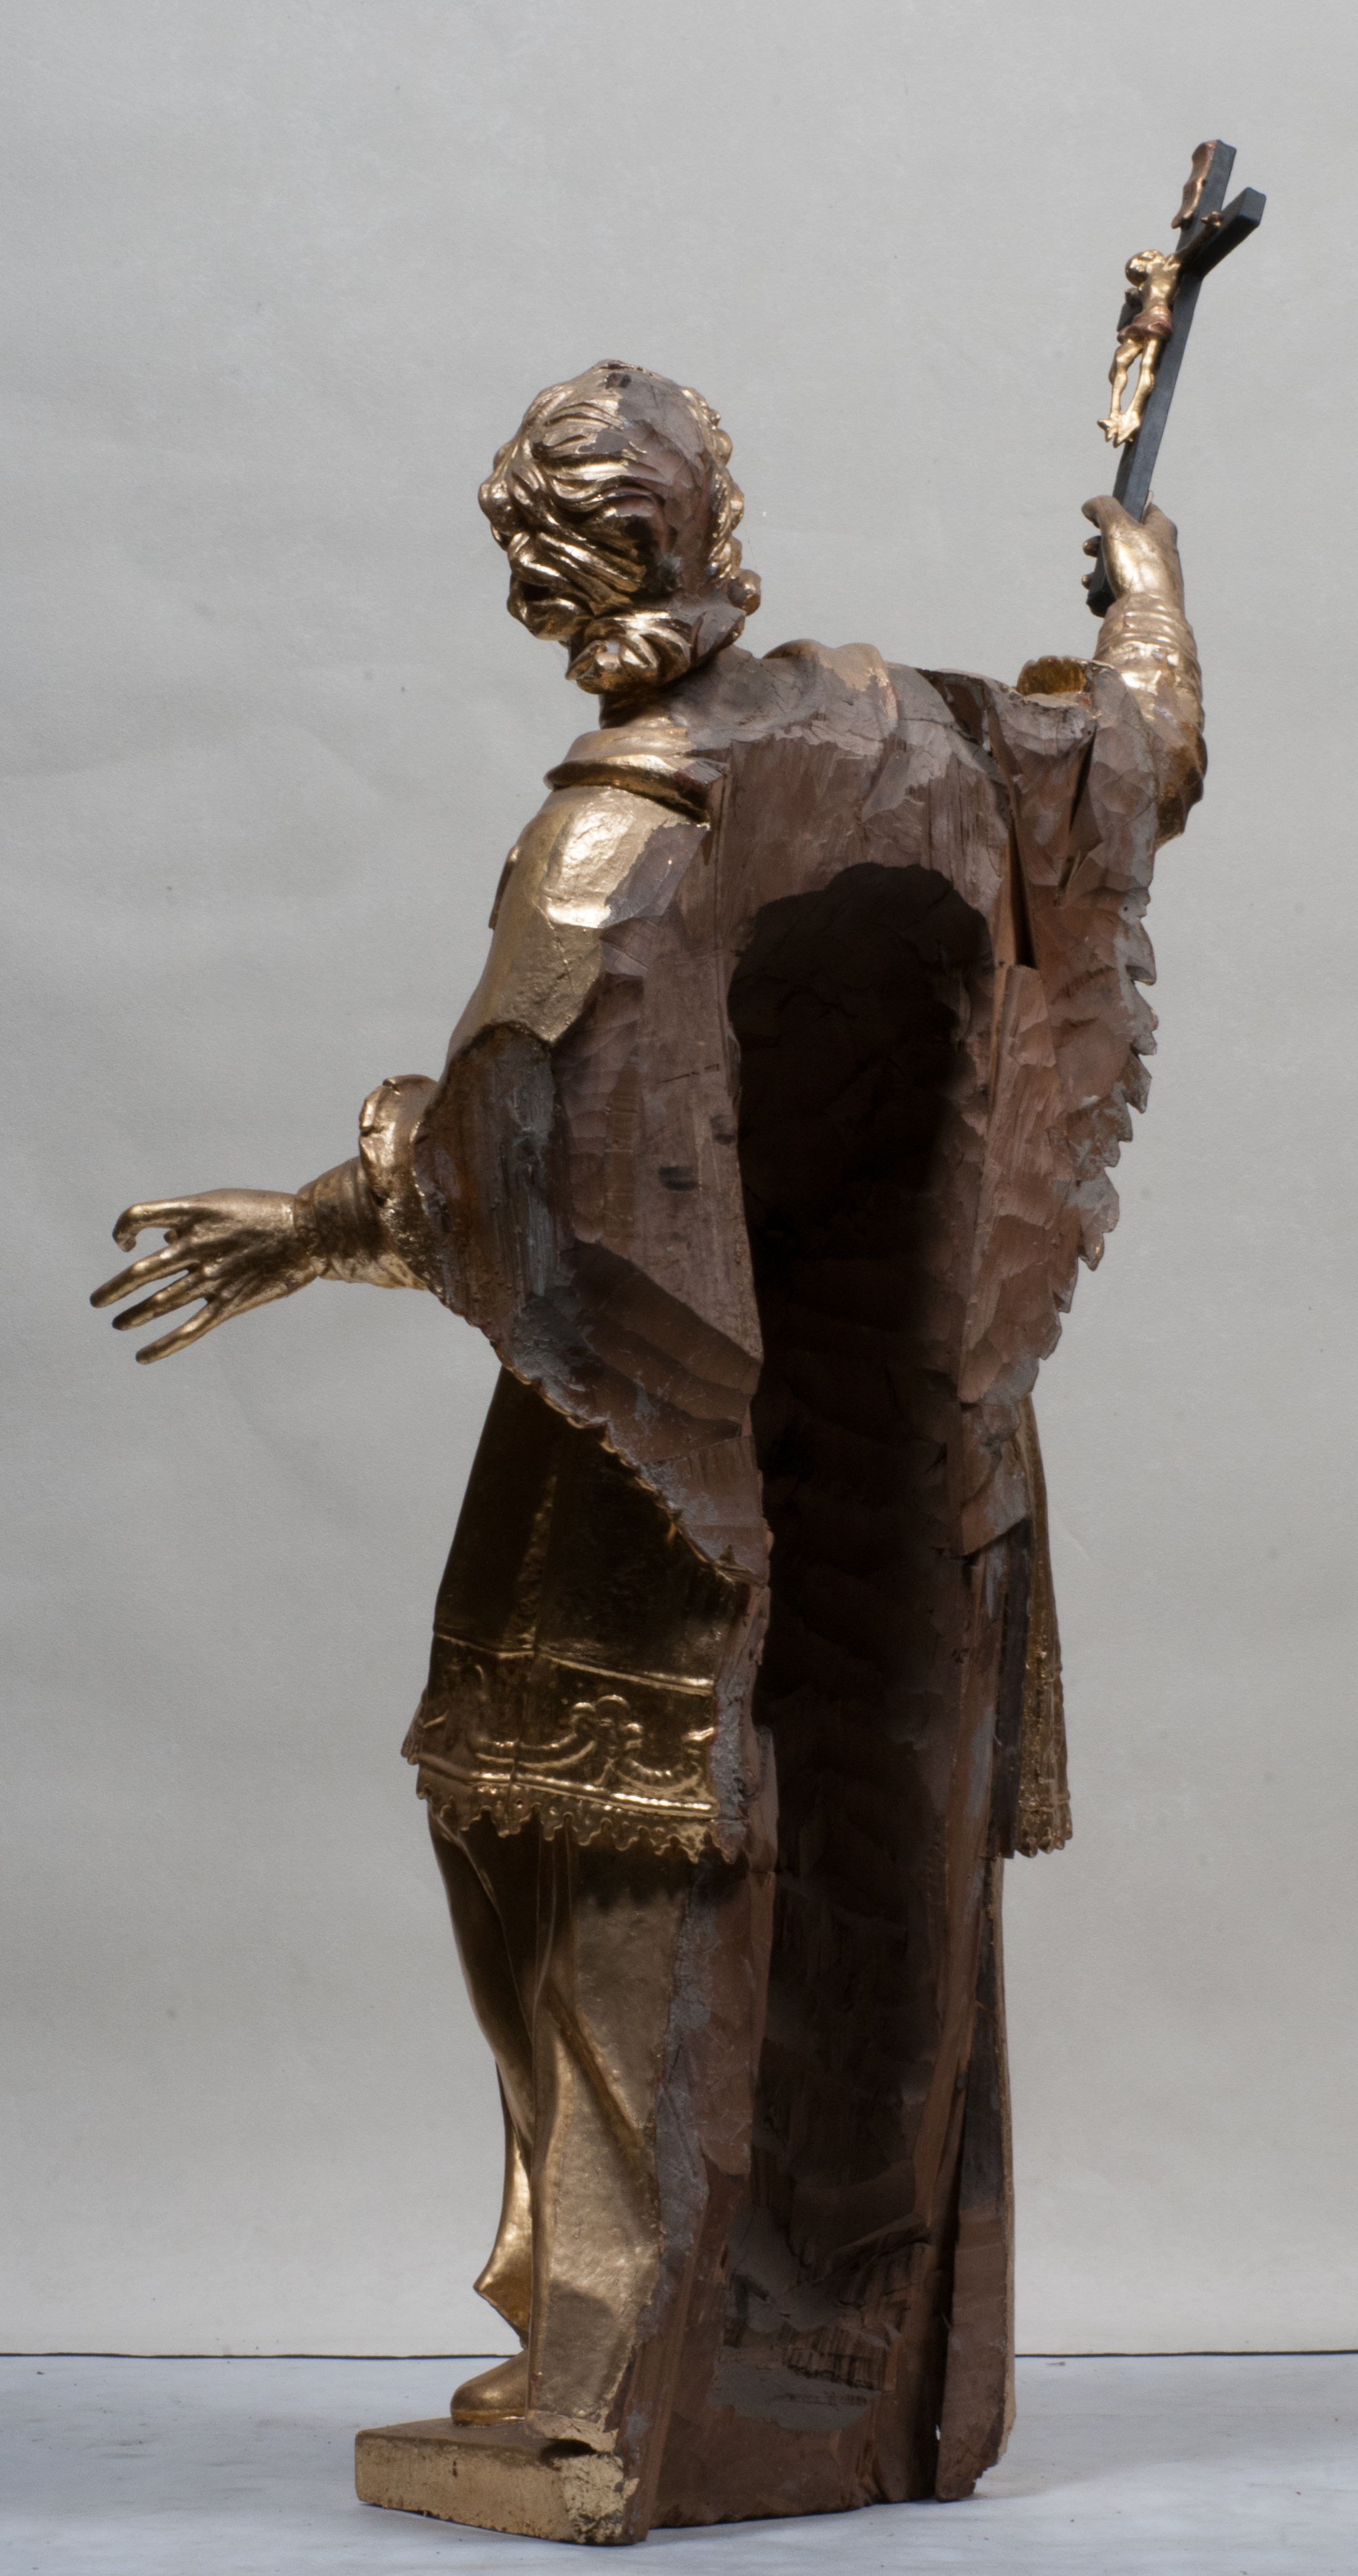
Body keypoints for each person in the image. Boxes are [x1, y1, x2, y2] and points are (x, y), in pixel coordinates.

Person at [94, 361, 1203, 2538]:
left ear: (588, 563)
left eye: (542, 555)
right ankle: (835, 2373)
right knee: (843, 1871)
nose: (540, 595)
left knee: (593, 1885)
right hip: (910, 1460)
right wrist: (1147, 585)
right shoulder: (914, 739)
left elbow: (528, 1169)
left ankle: (614, 2387)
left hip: (659, 1477)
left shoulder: (626, 830)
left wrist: (307, 1224)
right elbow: (1144, 757)